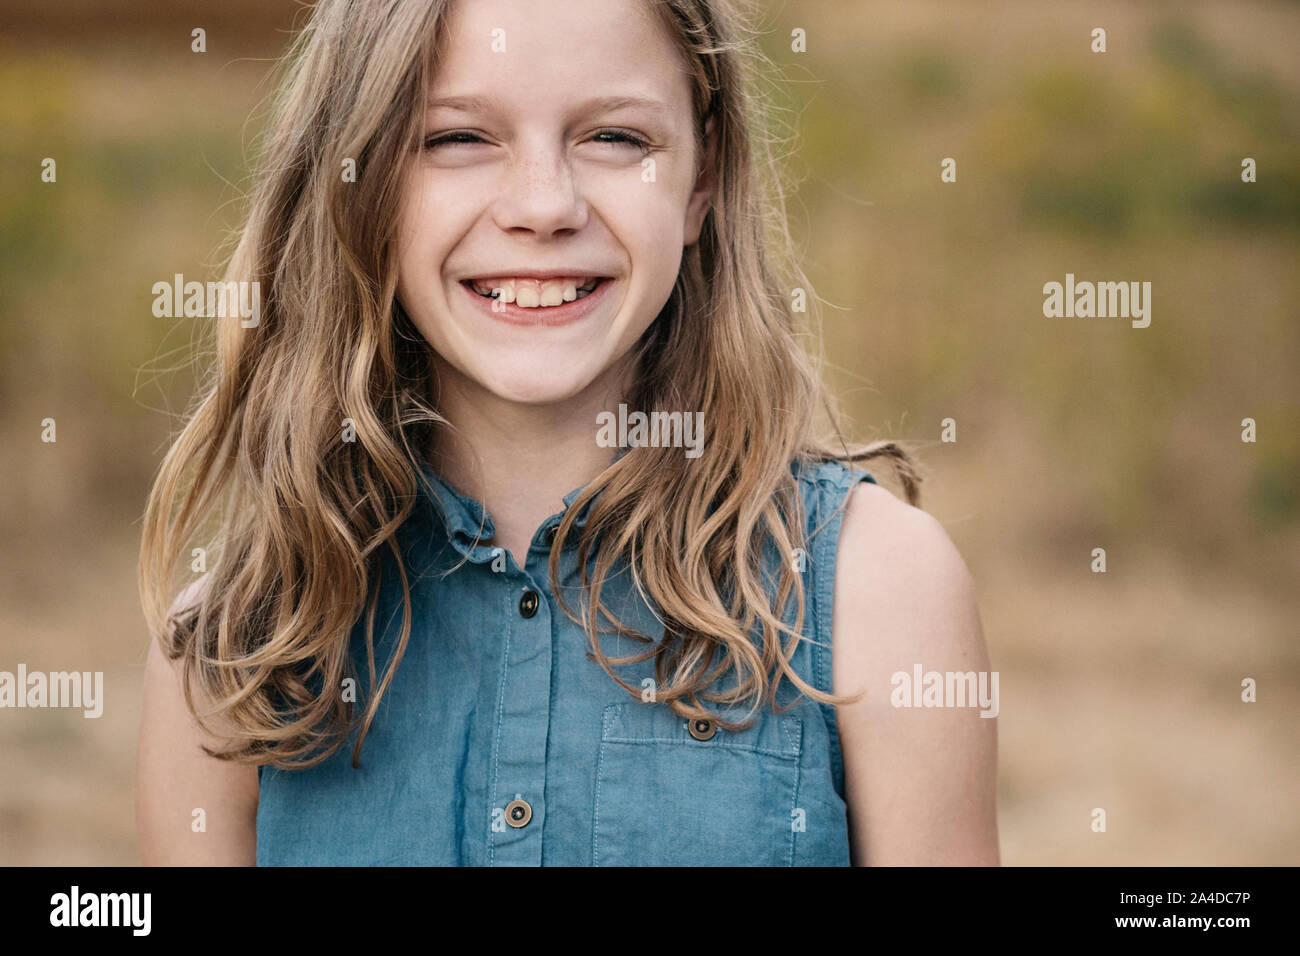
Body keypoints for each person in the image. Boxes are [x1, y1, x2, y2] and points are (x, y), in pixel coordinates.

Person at [137, 0, 998, 866]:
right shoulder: (232, 653)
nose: (543, 207)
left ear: (702, 181)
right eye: (457, 138)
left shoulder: (876, 590)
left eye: (617, 138)